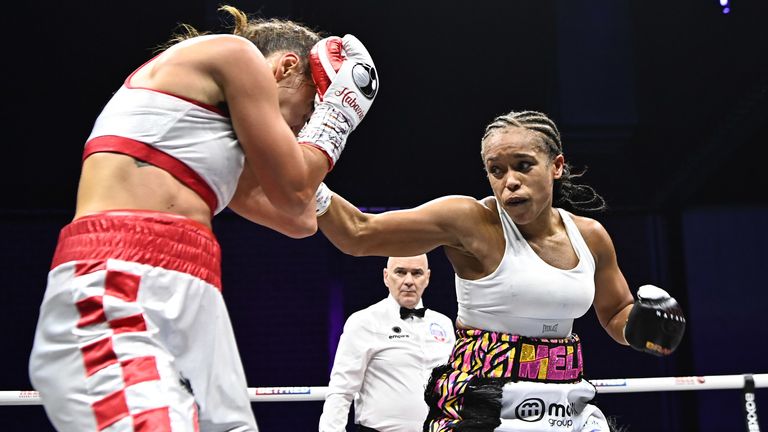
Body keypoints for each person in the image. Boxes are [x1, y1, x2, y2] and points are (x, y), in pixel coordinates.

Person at [28, 5, 378, 431]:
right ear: (287, 67)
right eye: (306, 112)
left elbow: (300, 218)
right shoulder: (234, 55)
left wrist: (317, 138)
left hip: (192, 286)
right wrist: (334, 119)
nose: (300, 132)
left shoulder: (216, 148)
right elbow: (295, 191)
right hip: (121, 272)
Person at [314, 110, 686, 431]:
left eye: (523, 165)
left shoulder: (590, 236)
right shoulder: (471, 221)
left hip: (564, 406)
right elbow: (359, 234)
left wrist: (642, 328)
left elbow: (615, 313)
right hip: (482, 406)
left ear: (556, 166)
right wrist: (307, 172)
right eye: (496, 170)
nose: (509, 181)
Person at [319, 255, 455, 432]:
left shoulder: (443, 323)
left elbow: (452, 386)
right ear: (386, 276)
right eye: (400, 272)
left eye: (416, 273)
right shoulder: (365, 321)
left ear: (427, 277)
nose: (408, 281)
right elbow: (341, 389)